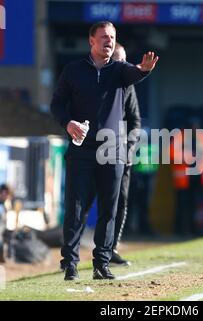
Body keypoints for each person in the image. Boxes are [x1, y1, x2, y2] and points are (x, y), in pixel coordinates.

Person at [50, 21, 158, 281]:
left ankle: (101, 264)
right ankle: (71, 264)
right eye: (104, 37)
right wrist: (68, 123)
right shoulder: (73, 70)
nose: (109, 41)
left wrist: (143, 70)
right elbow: (57, 104)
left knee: (110, 209)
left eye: (112, 37)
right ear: (91, 41)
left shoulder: (121, 71)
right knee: (75, 208)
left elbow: (135, 74)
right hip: (81, 149)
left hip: (113, 150)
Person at [109, 42, 141, 266]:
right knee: (85, 202)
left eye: (125, 61)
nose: (123, 65)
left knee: (121, 201)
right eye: (118, 61)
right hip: (94, 150)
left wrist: (128, 148)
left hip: (120, 152)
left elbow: (135, 120)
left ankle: (111, 249)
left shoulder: (129, 85)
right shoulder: (94, 81)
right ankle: (69, 255)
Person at [170, 118, 203, 236]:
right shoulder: (179, 136)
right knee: (182, 205)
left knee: (195, 204)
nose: (196, 128)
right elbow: (172, 153)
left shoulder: (202, 136)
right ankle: (181, 230)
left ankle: (195, 229)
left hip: (198, 177)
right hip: (183, 178)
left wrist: (200, 158)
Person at [0, 184, 11, 263]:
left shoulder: (4, 204)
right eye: (4, 194)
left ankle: (7, 257)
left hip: (3, 228)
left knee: (11, 236)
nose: (6, 196)